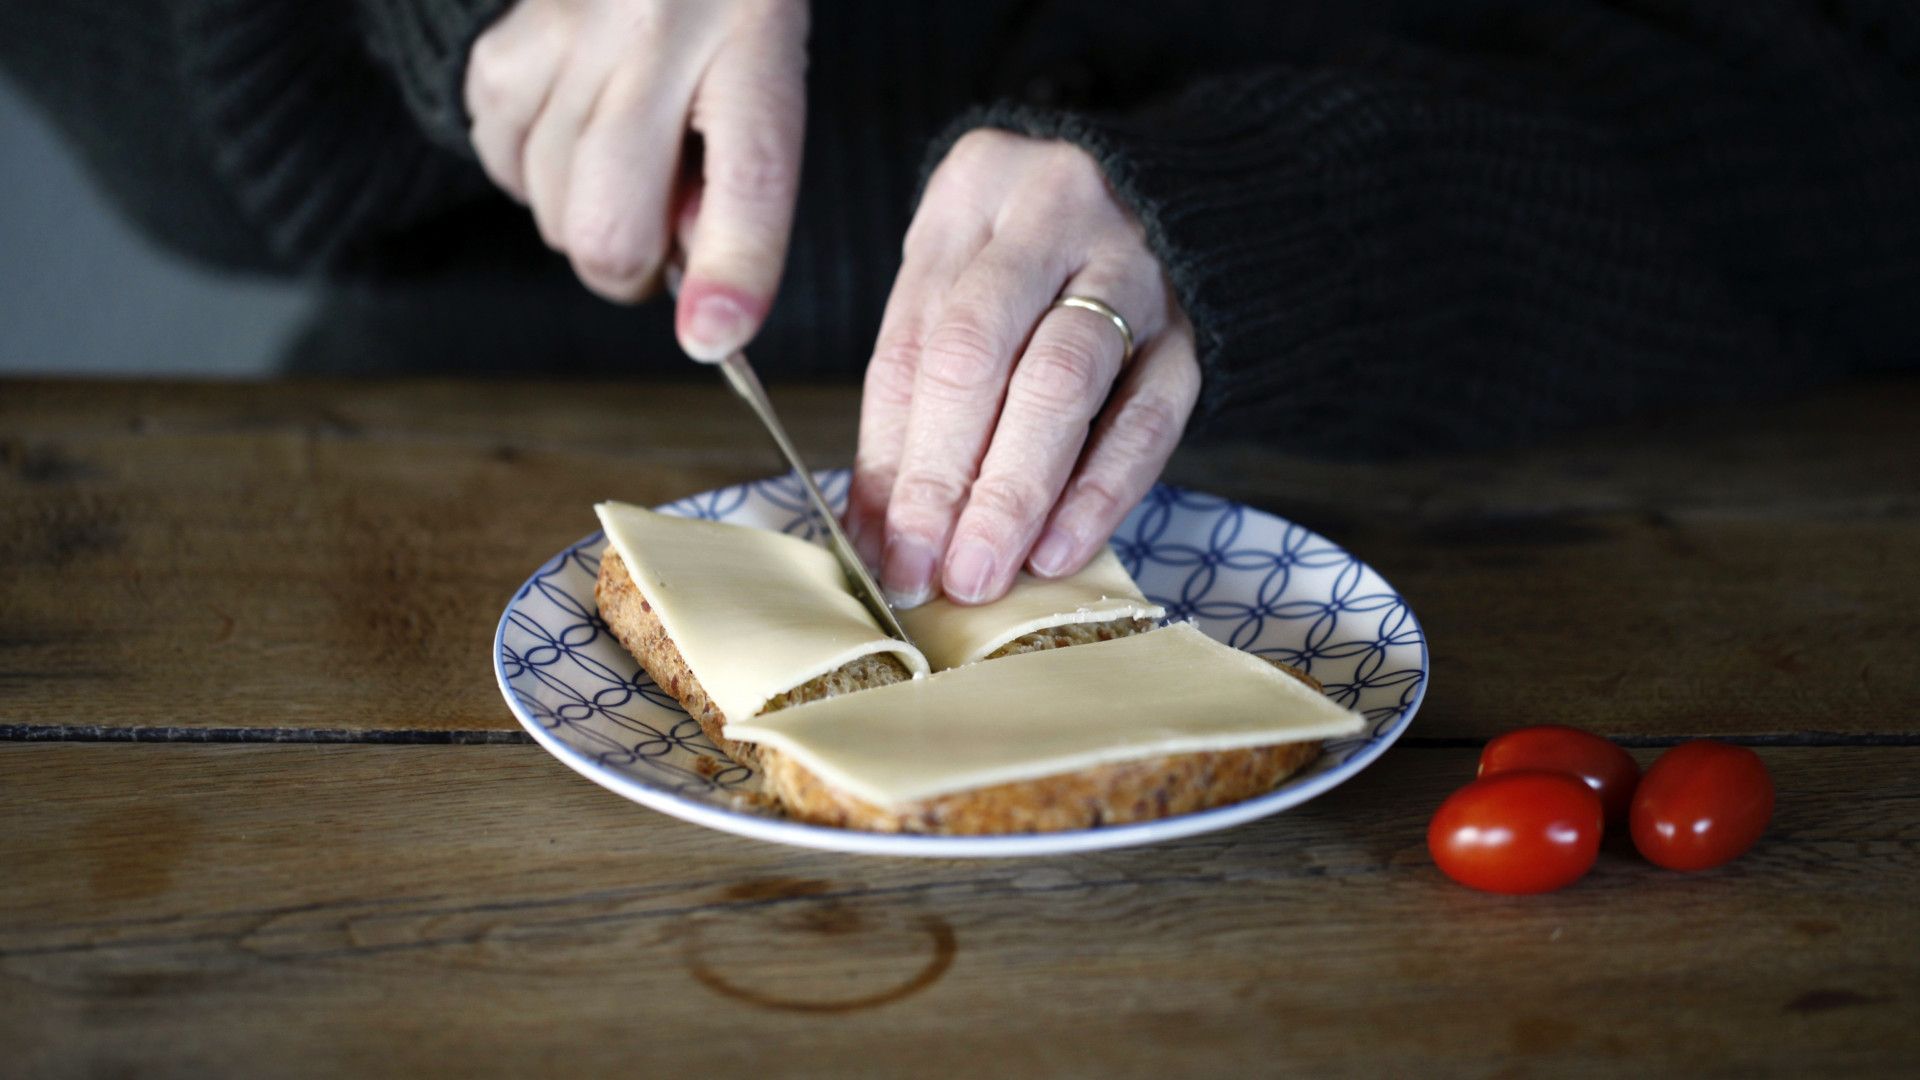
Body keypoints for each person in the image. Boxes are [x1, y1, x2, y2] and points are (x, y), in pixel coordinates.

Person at [4, 0, 1917, 608]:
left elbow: (1866, 122)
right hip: (440, 508)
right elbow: (138, 114)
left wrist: (1300, 203)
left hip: (1569, 517)